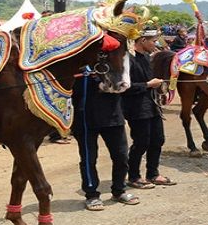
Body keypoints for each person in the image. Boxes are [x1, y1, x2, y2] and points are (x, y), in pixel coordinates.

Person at [72, 71, 139, 210]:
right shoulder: (80, 66)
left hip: (113, 117)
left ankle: (119, 190)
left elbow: (126, 84)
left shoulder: (114, 64)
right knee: (88, 159)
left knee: (121, 156)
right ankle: (91, 195)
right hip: (85, 119)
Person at [123, 28, 176, 189]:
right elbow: (124, 87)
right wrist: (147, 85)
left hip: (152, 105)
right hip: (136, 107)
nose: (156, 44)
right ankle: (133, 176)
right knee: (141, 142)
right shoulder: (128, 59)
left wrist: (159, 86)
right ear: (142, 41)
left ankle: (153, 173)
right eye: (153, 41)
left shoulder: (147, 58)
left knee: (158, 139)